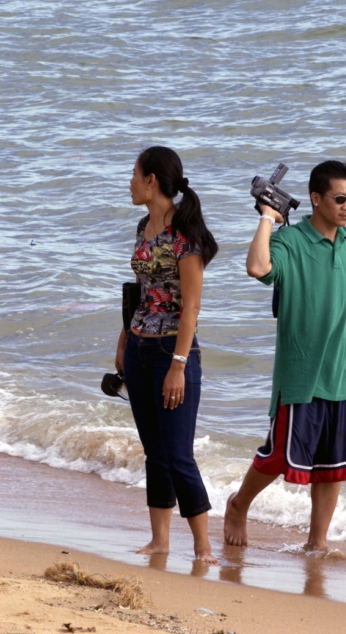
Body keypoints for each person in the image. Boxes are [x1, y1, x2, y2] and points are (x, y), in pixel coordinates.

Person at [224, 160, 346, 552]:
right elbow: (257, 267)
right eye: (339, 199)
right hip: (300, 374)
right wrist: (268, 217)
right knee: (278, 456)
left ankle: (317, 543)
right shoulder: (291, 242)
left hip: (339, 374)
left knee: (333, 467)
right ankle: (239, 504)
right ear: (316, 198)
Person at [115, 145, 218, 564]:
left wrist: (178, 365)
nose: (130, 182)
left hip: (172, 352)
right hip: (139, 347)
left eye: (134, 174)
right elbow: (141, 293)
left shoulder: (184, 234)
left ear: (151, 180)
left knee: (178, 455)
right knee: (154, 453)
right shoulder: (144, 226)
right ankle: (159, 541)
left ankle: (203, 547)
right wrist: (124, 340)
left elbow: (191, 307)